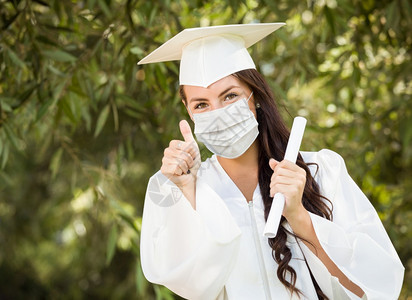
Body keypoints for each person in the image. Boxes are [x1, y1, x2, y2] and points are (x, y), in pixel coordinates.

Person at [137, 23, 404, 300]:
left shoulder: (321, 171)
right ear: (188, 112)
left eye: (230, 96)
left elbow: (377, 287)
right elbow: (190, 287)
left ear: (256, 97)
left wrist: (299, 216)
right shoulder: (181, 188)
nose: (218, 113)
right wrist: (189, 193)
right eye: (201, 104)